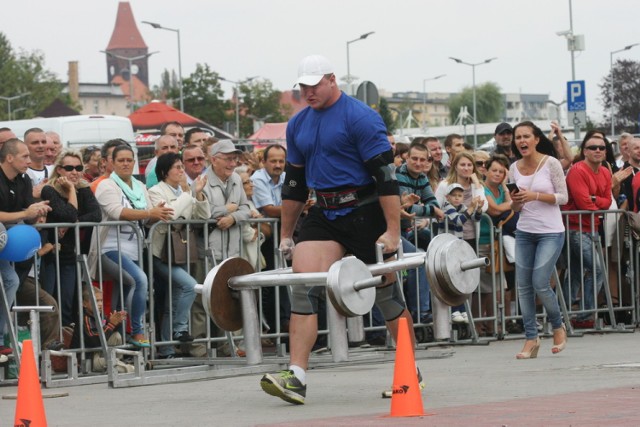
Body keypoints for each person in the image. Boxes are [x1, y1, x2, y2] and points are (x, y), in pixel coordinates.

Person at [259, 54, 417, 405]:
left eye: (314, 85)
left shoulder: (360, 117)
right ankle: (296, 377)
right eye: (303, 86)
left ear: (332, 79)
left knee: (387, 296)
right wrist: (287, 233)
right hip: (324, 212)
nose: (308, 92)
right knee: (302, 287)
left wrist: (392, 231)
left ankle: (410, 371)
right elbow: (295, 185)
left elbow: (386, 178)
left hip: (364, 210)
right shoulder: (298, 124)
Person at [91, 145, 174, 347]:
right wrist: (149, 213)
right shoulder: (107, 185)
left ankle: (118, 339)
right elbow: (116, 212)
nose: (126, 163)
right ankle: (137, 332)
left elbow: (146, 220)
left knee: (122, 295)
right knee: (140, 280)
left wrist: (160, 215)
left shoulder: (139, 186)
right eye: (121, 160)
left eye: (129, 160)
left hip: (133, 250)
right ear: (111, 163)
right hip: (108, 248)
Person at [509, 120, 568, 359]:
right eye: (518, 137)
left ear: (536, 139)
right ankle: (531, 338)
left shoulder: (550, 163)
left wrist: (535, 195)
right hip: (524, 231)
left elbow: (563, 197)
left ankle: (557, 326)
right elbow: (515, 207)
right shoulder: (513, 167)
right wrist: (517, 201)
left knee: (540, 282)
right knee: (523, 286)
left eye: (526, 136)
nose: (522, 141)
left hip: (551, 232)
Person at [148, 152, 210, 358]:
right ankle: (180, 329)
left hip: (180, 251)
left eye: (182, 167)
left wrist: (198, 194)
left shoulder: (186, 191)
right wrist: (187, 193)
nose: (182, 171)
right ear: (165, 172)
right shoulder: (156, 191)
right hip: (161, 252)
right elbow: (170, 215)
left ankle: (166, 348)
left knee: (172, 301)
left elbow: (203, 216)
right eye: (177, 167)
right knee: (189, 285)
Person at [0, 139, 52, 355]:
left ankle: (1, 336)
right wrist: (24, 214)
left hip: (5, 244)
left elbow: (26, 210)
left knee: (11, 281)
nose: (29, 161)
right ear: (9, 157)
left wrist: (38, 212)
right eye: (25, 156)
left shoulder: (22, 179)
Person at [41, 150, 102, 326]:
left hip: (69, 254)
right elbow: (66, 214)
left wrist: (73, 222)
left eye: (78, 167)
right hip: (50, 254)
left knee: (67, 301)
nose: (74, 172)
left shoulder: (83, 188)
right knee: (51, 300)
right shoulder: (49, 189)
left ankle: (66, 343)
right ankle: (49, 344)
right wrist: (70, 191)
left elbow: (96, 215)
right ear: (59, 169)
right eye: (69, 168)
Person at [562, 131, 612, 329]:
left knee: (575, 273)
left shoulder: (606, 172)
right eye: (593, 147)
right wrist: (596, 202)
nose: (598, 150)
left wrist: (595, 201)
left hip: (591, 228)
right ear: (584, 151)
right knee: (598, 270)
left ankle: (564, 314)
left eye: (601, 147)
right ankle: (583, 316)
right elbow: (584, 203)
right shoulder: (577, 170)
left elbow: (607, 203)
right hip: (575, 229)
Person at [70, 286, 134, 373]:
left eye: (101, 300)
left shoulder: (100, 315)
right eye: (96, 301)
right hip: (88, 359)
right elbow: (95, 340)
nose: (100, 304)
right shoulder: (84, 318)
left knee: (117, 336)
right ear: (84, 304)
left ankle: (119, 363)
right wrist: (111, 324)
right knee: (113, 364)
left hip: (99, 352)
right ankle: (134, 368)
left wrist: (117, 322)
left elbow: (109, 333)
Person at [24, 128, 52, 198]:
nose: (41, 146)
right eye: (35, 143)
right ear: (25, 145)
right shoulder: (19, 173)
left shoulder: (54, 170)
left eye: (43, 142)